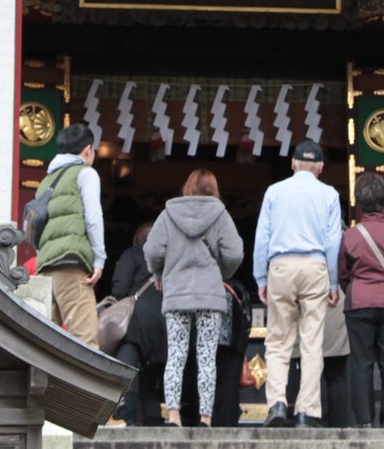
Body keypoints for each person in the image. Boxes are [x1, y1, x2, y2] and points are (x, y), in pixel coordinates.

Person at [253, 139, 343, 427]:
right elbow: (333, 242)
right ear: (320, 168)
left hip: (281, 265)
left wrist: (261, 277)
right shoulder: (329, 194)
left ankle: (277, 405)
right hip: (315, 265)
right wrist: (334, 282)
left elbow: (262, 239)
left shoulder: (274, 192)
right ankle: (307, 410)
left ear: (293, 164)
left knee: (278, 340)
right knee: (311, 340)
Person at [146, 169, 245, 428]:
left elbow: (153, 249)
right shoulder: (220, 215)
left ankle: (174, 416)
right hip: (210, 294)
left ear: (187, 186)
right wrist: (220, 272)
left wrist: (159, 273)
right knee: (206, 356)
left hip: (177, 293)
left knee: (176, 355)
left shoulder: (168, 215)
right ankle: (205, 417)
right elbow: (235, 252)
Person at [339, 172, 384, 427]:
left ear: (359, 202)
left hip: (359, 302)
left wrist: (356, 288)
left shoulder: (350, 236)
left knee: (361, 362)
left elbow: (342, 274)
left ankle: (364, 421)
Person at [33, 124, 106, 349]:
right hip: (71, 264)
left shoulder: (46, 182)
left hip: (46, 266)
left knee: (49, 346)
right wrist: (99, 260)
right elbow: (93, 218)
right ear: (88, 149)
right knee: (85, 342)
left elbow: (38, 225)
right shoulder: (85, 173)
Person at [107, 223, 161, 426]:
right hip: (163, 318)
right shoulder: (165, 261)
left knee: (128, 363)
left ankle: (125, 415)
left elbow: (120, 288)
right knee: (152, 374)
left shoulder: (132, 254)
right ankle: (154, 417)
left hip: (136, 318)